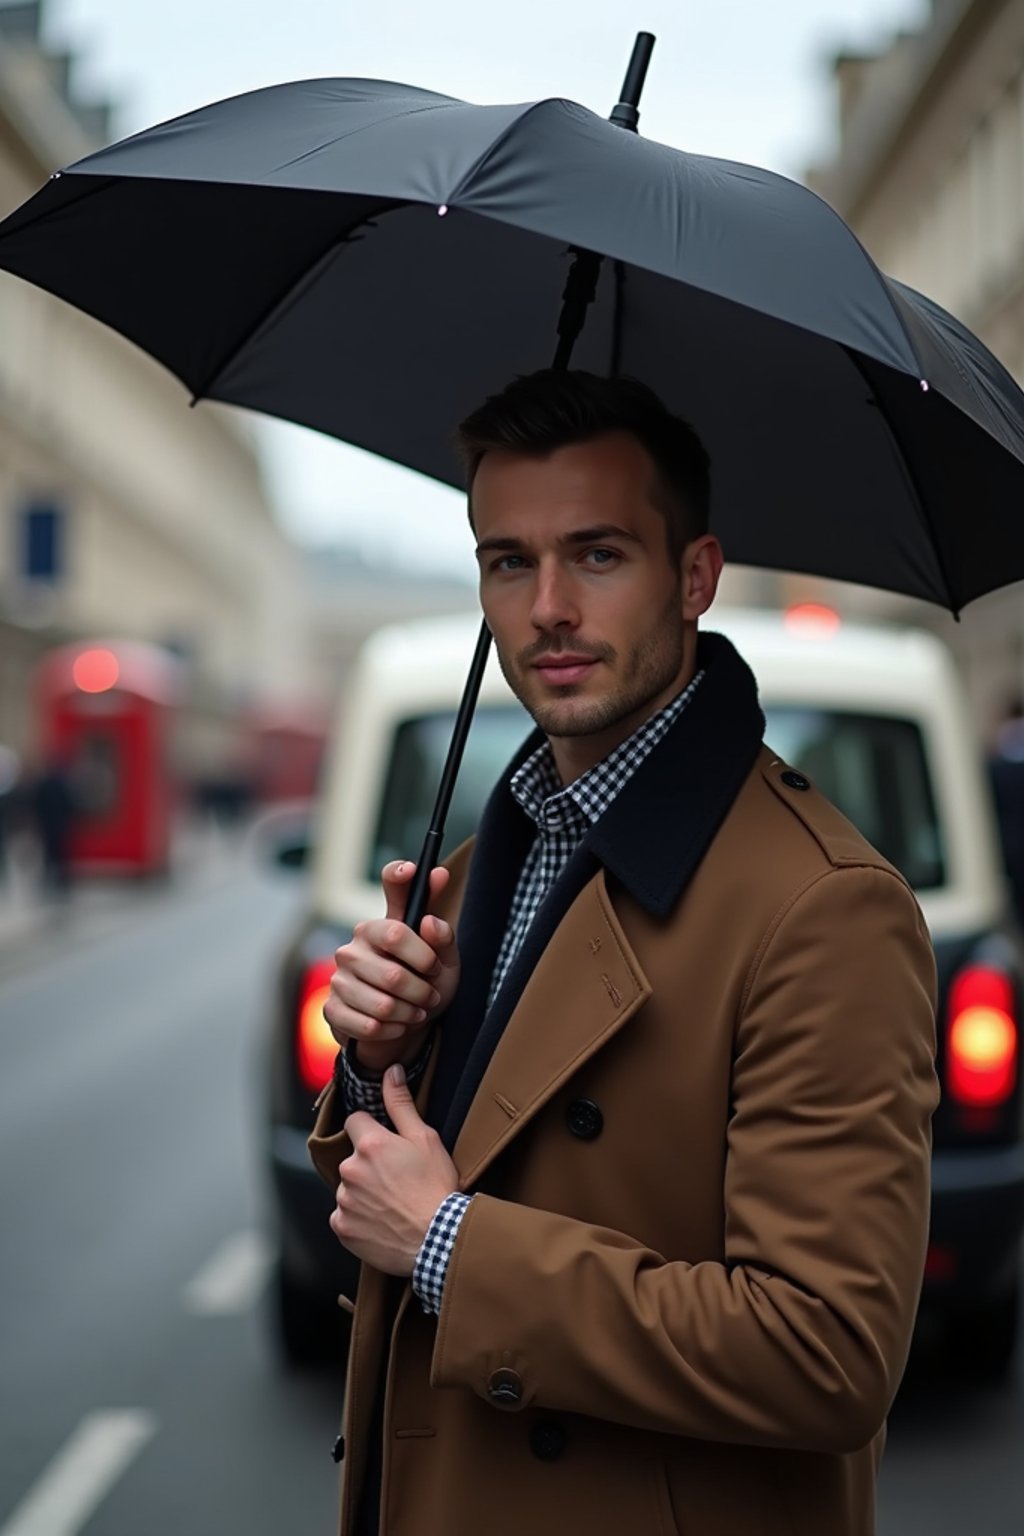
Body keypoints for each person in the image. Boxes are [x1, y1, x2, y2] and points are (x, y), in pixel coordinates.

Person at [309, 370, 938, 1536]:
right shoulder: (492, 845)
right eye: (508, 560)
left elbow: (829, 1353)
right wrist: (384, 1059)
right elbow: (428, 1188)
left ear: (693, 576)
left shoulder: (825, 907)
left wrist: (451, 1246)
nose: (546, 606)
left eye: (596, 555)